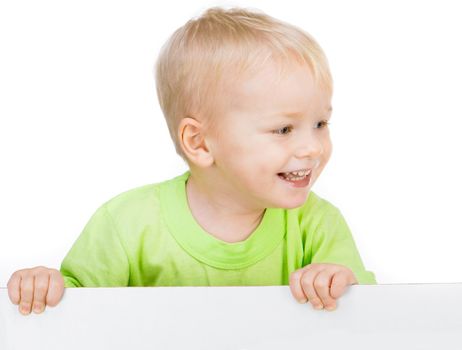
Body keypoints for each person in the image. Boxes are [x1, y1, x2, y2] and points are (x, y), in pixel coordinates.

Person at [7, 6, 376, 316]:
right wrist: (45, 286)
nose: (313, 147)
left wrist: (338, 282)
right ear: (199, 142)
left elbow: (369, 309)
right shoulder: (126, 223)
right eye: (283, 129)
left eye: (320, 124)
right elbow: (76, 309)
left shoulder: (318, 224)